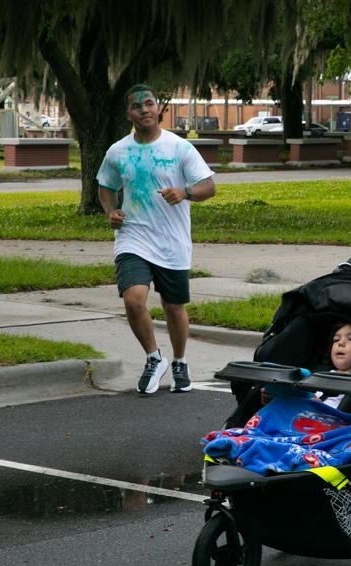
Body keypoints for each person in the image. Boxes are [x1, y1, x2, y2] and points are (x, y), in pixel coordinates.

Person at [97, 84, 216, 394]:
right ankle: (153, 358)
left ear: (158, 109)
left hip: (172, 241)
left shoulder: (179, 148)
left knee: (173, 306)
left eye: (149, 103)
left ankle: (179, 361)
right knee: (133, 300)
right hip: (132, 237)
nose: (145, 109)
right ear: (129, 114)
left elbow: (208, 186)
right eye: (138, 106)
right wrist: (111, 210)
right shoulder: (118, 151)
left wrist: (185, 192)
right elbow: (106, 186)